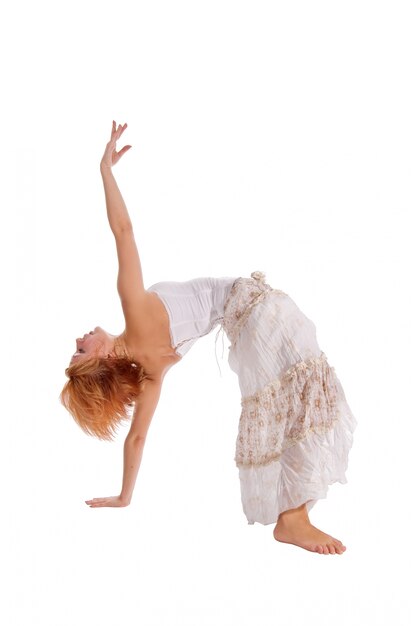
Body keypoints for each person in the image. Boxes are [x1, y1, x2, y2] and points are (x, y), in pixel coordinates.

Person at [60, 121, 357, 556]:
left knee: (301, 396)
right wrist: (105, 171)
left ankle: (294, 515)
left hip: (247, 326)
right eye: (80, 349)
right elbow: (123, 232)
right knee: (306, 387)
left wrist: (125, 496)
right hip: (253, 310)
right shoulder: (135, 313)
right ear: (98, 360)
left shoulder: (151, 375)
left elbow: (136, 439)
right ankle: (293, 519)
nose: (79, 338)